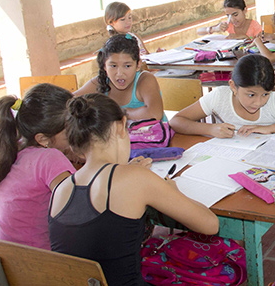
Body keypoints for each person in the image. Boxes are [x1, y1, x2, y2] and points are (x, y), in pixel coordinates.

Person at [169, 54, 275, 286]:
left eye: (263, 94)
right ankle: (226, 270)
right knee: (217, 218)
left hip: (272, 176)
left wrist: (271, 128)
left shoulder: (273, 102)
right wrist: (211, 129)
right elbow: (177, 120)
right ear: (233, 86)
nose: (257, 102)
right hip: (228, 177)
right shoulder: (219, 97)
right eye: (251, 94)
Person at [49, 93, 219, 286]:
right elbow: (210, 225)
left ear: (76, 145)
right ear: (122, 125)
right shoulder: (135, 179)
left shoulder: (60, 189)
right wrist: (171, 190)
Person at [0, 83, 76, 250]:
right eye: (71, 129)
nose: (79, 132)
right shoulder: (50, 158)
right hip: (38, 266)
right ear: (43, 139)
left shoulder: (10, 149)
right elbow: (79, 208)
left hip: (3, 265)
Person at [76, 34, 166, 122]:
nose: (120, 73)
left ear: (138, 64)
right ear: (104, 66)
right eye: (113, 66)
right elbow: (70, 100)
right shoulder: (101, 81)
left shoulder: (145, 80)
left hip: (155, 135)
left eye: (127, 66)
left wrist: (116, 112)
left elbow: (155, 114)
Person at [197, 0, 262, 39]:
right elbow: (199, 31)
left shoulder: (254, 26)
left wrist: (243, 37)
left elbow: (261, 43)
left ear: (244, 10)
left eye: (235, 15)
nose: (233, 19)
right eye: (228, 16)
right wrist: (214, 29)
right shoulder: (229, 25)